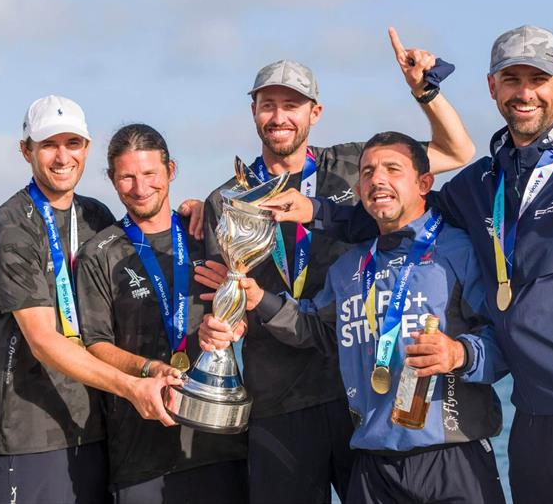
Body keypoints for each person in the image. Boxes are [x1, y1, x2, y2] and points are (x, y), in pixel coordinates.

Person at [270, 25, 553, 504]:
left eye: (537, 79)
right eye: (511, 79)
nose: (524, 92)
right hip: (530, 404)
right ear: (492, 87)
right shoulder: (480, 183)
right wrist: (320, 212)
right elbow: (405, 213)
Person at [196, 28, 478, 503]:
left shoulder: (356, 165)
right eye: (268, 104)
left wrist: (424, 91)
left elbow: (458, 152)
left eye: (292, 105)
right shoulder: (224, 201)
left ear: (315, 113)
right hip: (279, 399)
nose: (279, 116)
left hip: (363, 396)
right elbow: (227, 300)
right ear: (254, 113)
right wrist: (222, 328)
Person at [0, 96, 182, 503]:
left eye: (73, 143)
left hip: (99, 429)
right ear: (26, 151)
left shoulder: (96, 217)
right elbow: (43, 340)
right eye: (49, 145)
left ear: (86, 149)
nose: (62, 156)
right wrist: (131, 386)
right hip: (32, 435)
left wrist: (189, 213)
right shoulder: (12, 229)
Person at [74, 124, 247, 503]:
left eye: (150, 174)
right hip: (141, 454)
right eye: (127, 177)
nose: (140, 187)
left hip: (220, 445)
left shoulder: (208, 233)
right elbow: (95, 345)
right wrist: (149, 368)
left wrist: (233, 327)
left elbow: (243, 310)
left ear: (170, 170)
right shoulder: (98, 254)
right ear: (112, 180)